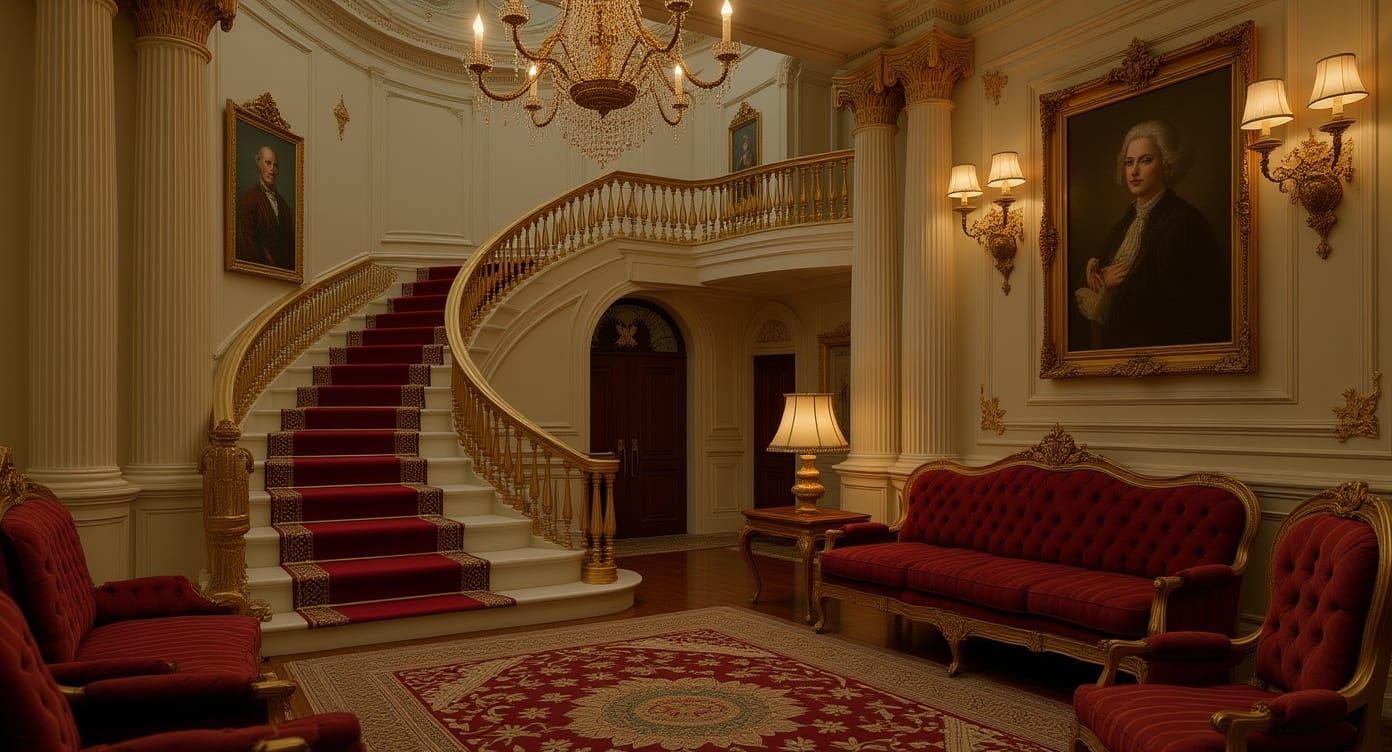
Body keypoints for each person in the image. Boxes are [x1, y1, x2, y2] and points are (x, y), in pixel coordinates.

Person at [1073, 120, 1227, 349]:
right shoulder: (1123, 224)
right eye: (1128, 163)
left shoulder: (1184, 221)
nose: (1134, 171)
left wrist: (1115, 286)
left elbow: (1183, 302)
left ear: (1166, 163)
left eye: (1145, 161)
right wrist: (1096, 276)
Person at [237, 145, 295, 270]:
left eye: (276, 165)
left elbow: (289, 245)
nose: (272, 169)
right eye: (268, 163)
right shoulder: (250, 197)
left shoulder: (284, 206)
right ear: (259, 164)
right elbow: (248, 240)